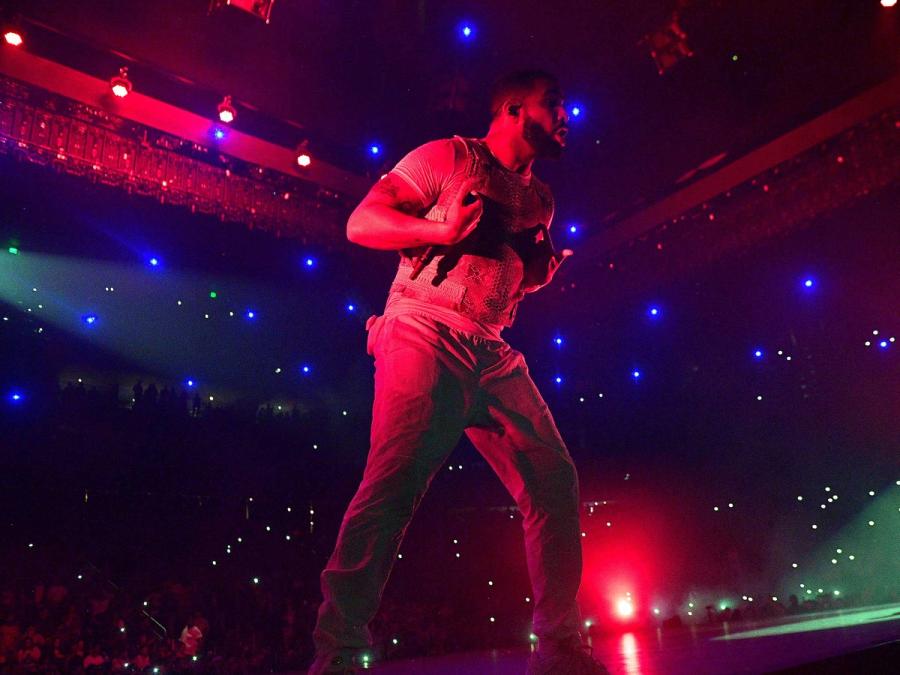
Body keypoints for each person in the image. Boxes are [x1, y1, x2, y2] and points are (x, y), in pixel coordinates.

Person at [308, 70, 609, 675]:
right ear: (515, 109)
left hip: (492, 351)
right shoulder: (447, 156)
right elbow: (362, 223)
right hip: (423, 329)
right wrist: (437, 229)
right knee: (393, 487)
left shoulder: (542, 199)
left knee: (554, 486)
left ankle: (560, 653)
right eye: (556, 105)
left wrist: (538, 276)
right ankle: (337, 655)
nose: (566, 116)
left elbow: (508, 278)